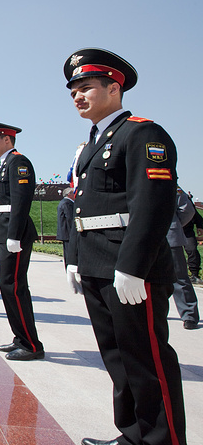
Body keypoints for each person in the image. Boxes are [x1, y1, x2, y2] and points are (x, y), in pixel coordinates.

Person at [63, 48, 185, 445]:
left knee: (146, 359)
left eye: (86, 87)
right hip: (97, 264)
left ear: (114, 89)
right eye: (73, 91)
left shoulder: (142, 133)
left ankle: (162, 440)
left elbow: (151, 204)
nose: (78, 96)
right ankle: (133, 434)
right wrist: (76, 261)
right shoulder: (93, 143)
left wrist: (133, 266)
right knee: (117, 357)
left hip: (129, 268)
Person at [0, 120, 43, 361]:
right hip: (3, 228)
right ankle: (20, 338)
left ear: (7, 139)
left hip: (13, 230)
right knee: (8, 287)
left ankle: (31, 344)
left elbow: (21, 201)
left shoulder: (18, 161)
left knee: (15, 287)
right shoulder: (3, 163)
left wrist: (15, 234)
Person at [168, 187, 199, 330]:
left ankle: (189, 315)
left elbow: (187, 209)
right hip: (143, 238)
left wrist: (175, 224)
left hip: (169, 237)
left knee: (180, 277)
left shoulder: (171, 184)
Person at [56, 186, 75, 268]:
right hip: (68, 233)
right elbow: (70, 218)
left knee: (68, 254)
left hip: (66, 233)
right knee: (69, 254)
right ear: (70, 194)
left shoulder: (64, 202)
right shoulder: (67, 203)